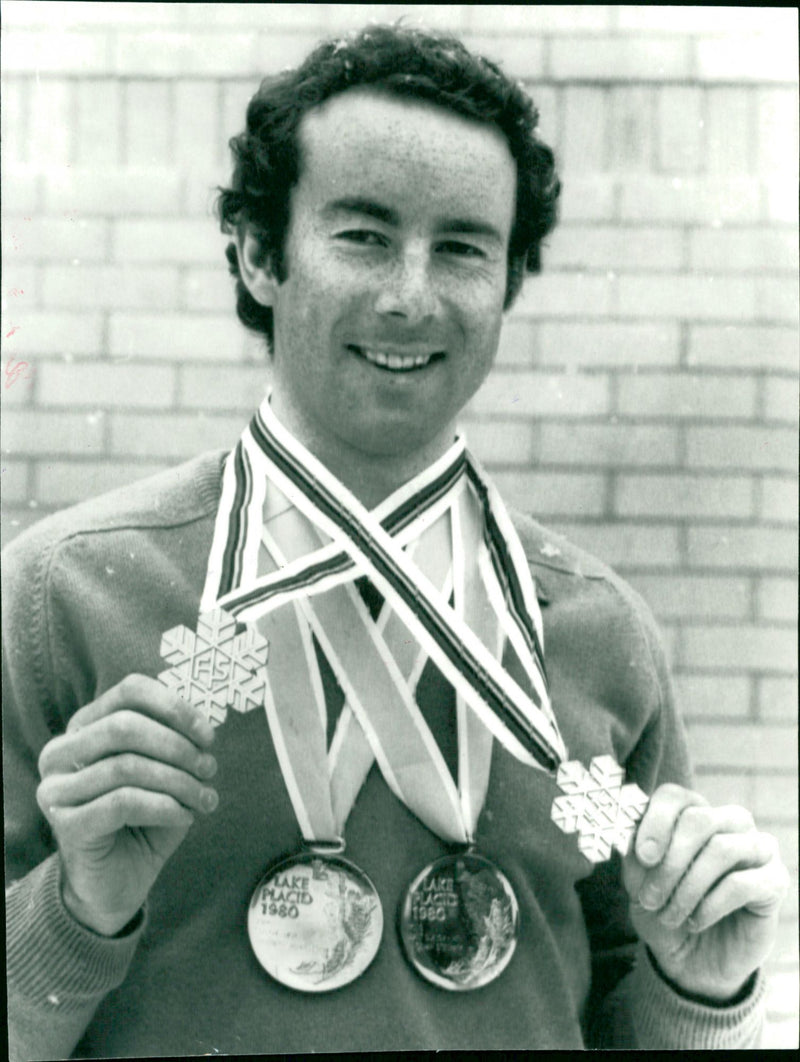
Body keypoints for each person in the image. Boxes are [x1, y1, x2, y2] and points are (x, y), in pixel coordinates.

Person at [3, 24, 787, 1059]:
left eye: (462, 247)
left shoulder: (598, 633)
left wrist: (703, 989)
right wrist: (78, 909)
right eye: (362, 235)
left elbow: (629, 1025)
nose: (411, 295)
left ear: (506, 285)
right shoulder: (67, 598)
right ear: (255, 252)